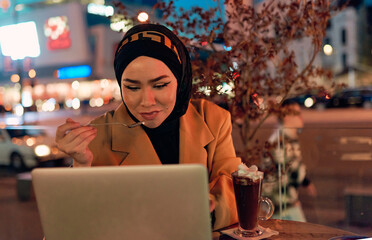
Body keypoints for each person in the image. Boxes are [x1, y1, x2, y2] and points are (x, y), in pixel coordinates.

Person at [55, 23, 241, 230]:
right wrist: (80, 165)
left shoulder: (212, 119)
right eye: (132, 87)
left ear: (180, 80)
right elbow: (76, 222)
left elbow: (236, 192)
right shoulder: (97, 136)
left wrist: (205, 213)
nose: (146, 101)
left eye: (160, 85)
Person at [261, 100, 317, 222]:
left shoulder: (282, 138)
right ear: (286, 117)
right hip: (281, 204)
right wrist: (306, 182)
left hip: (279, 203)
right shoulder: (283, 141)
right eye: (296, 113)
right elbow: (294, 171)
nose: (301, 117)